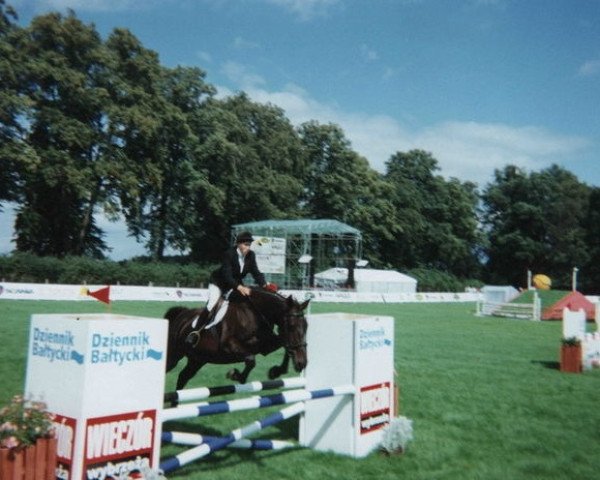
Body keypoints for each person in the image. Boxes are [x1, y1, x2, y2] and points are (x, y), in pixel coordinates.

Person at [186, 231, 268, 344]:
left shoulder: (251, 255)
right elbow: (227, 276)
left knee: (248, 300)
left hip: (235, 284)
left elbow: (256, 272)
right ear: (238, 244)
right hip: (219, 283)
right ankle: (195, 332)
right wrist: (240, 287)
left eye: (249, 245)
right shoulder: (229, 254)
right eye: (245, 244)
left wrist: (264, 285)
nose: (247, 247)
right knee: (212, 304)